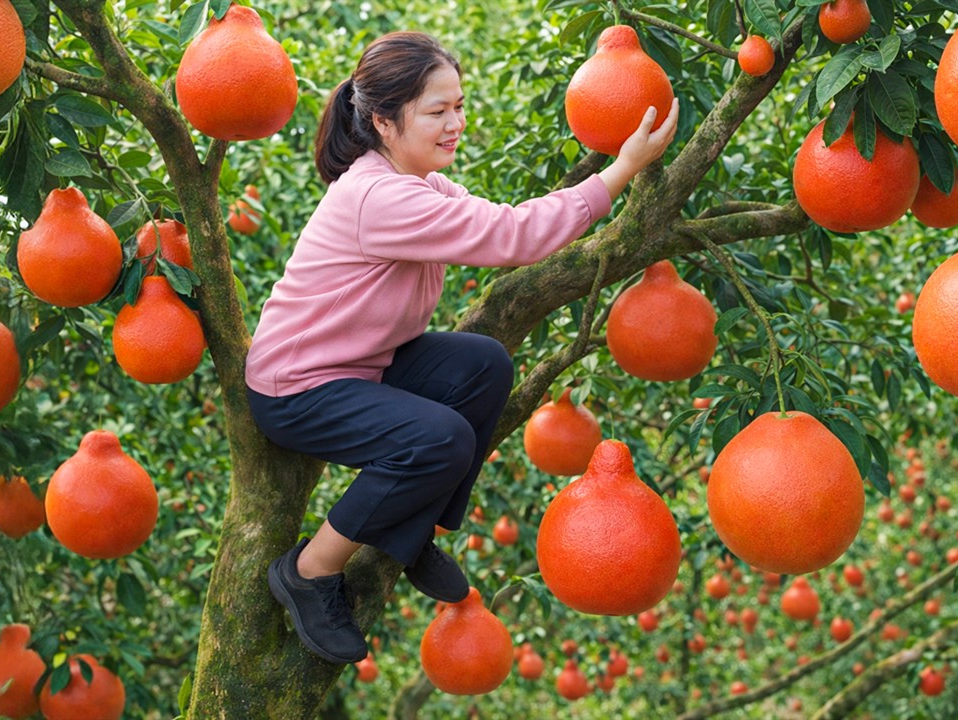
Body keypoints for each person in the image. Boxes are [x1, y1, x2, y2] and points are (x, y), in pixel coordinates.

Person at [245, 30, 679, 664]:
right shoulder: (378, 196)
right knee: (439, 438)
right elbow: (515, 237)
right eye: (437, 111)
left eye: (460, 106)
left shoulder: (416, 182)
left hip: (363, 366)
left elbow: (502, 220)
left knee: (484, 365)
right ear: (383, 122)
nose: (456, 124)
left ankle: (410, 526)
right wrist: (622, 170)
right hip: (298, 388)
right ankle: (309, 572)